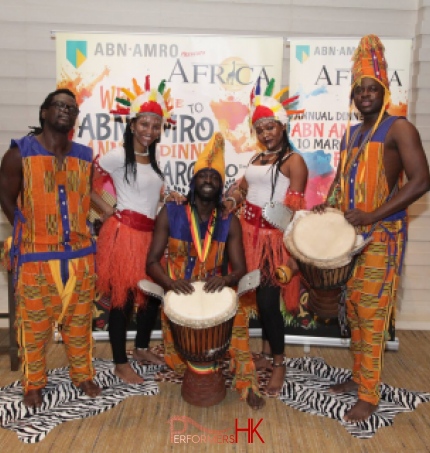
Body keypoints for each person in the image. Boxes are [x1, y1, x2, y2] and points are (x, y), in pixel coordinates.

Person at [314, 35, 430, 422]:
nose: (364, 95)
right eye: (358, 89)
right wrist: (327, 208)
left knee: (373, 311)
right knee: (353, 308)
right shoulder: (351, 134)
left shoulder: (400, 128)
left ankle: (369, 393)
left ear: (383, 90)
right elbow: (343, 185)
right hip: (352, 239)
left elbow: (421, 181)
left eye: (371, 88)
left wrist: (374, 214)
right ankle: (359, 377)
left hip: (383, 236)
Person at [146, 132, 265, 409]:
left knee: (238, 323)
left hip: (215, 290)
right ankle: (199, 364)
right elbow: (151, 262)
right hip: (179, 292)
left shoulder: (229, 220)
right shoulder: (171, 212)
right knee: (178, 362)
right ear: (193, 181)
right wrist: (169, 284)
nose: (208, 180)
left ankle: (247, 384)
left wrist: (225, 278)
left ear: (221, 185)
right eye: (203, 176)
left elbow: (241, 269)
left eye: (214, 177)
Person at [0, 88, 101, 407]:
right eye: (59, 105)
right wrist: (22, 226)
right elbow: (4, 194)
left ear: (75, 117)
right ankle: (33, 383)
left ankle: (83, 374)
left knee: (80, 323)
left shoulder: (85, 155)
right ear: (44, 113)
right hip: (35, 257)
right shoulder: (19, 152)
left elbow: (87, 198)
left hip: (81, 258)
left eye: (71, 107)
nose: (65, 110)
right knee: (33, 327)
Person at [91, 77, 182, 384]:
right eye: (145, 124)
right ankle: (120, 362)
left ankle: (141, 348)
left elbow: (148, 195)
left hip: (150, 235)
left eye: (156, 126)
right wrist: (106, 210)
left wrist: (168, 196)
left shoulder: (154, 160)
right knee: (124, 300)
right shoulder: (117, 156)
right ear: (132, 125)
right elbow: (86, 181)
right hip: (125, 235)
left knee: (152, 297)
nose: (150, 131)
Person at [225, 80, 308, 395]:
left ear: (282, 126)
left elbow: (295, 210)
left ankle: (279, 363)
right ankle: (261, 352)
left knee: (270, 304)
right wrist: (233, 198)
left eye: (270, 127)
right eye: (260, 129)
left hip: (272, 242)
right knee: (252, 299)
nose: (265, 134)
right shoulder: (256, 160)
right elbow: (243, 187)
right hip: (245, 236)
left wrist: (287, 252)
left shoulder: (293, 161)